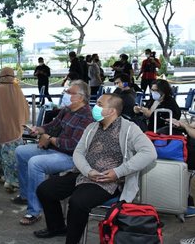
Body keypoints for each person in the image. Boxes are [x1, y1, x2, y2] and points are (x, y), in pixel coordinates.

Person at [34, 93, 157, 243]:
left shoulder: (130, 129)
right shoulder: (92, 127)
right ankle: (57, 227)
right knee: (45, 189)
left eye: (100, 104)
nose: (95, 107)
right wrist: (88, 171)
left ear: (112, 111)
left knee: (78, 202)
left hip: (109, 180)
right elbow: (78, 152)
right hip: (85, 174)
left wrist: (118, 172)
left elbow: (150, 153)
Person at [12, 80, 94, 225]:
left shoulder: (87, 117)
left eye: (70, 93)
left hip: (70, 157)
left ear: (80, 97)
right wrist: (38, 130)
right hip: (54, 149)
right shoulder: (67, 110)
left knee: (35, 163)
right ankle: (26, 194)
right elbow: (52, 126)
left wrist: (49, 139)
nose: (66, 95)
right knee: (20, 151)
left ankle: (34, 211)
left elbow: (73, 145)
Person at [0, 67, 29, 192]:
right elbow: (25, 109)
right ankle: (12, 181)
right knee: (14, 156)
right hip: (16, 129)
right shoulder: (18, 89)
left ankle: (2, 175)